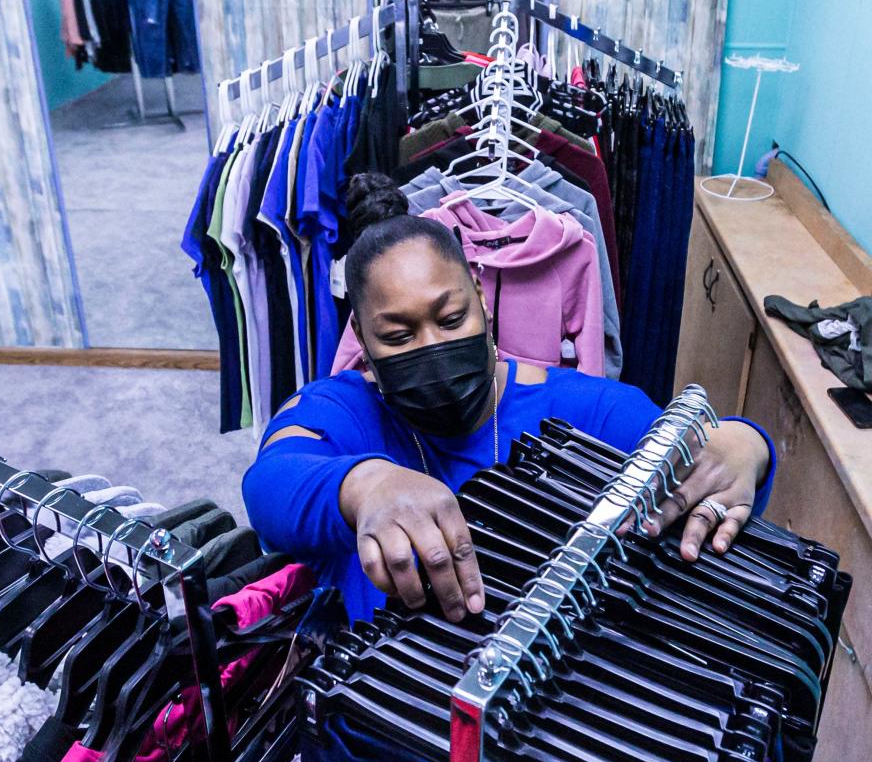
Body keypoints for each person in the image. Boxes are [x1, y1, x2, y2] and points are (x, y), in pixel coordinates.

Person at [242, 174, 775, 627]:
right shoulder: (343, 410)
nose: (433, 347)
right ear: (361, 335)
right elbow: (270, 483)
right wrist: (364, 485)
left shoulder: (585, 410)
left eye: (452, 320)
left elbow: (700, 462)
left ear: (481, 300)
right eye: (399, 337)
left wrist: (748, 445)